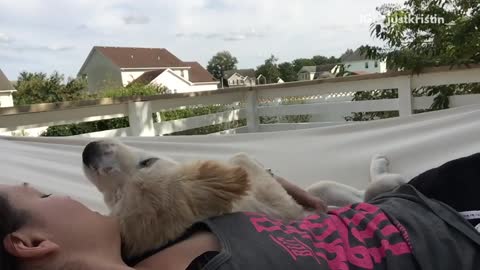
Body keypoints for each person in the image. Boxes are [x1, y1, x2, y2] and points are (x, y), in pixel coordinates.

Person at [2, 154, 480, 270]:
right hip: (453, 240)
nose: (64, 194)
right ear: (30, 243)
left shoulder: (144, 240)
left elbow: (215, 185)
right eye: (41, 196)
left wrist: (263, 177)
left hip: (412, 202)